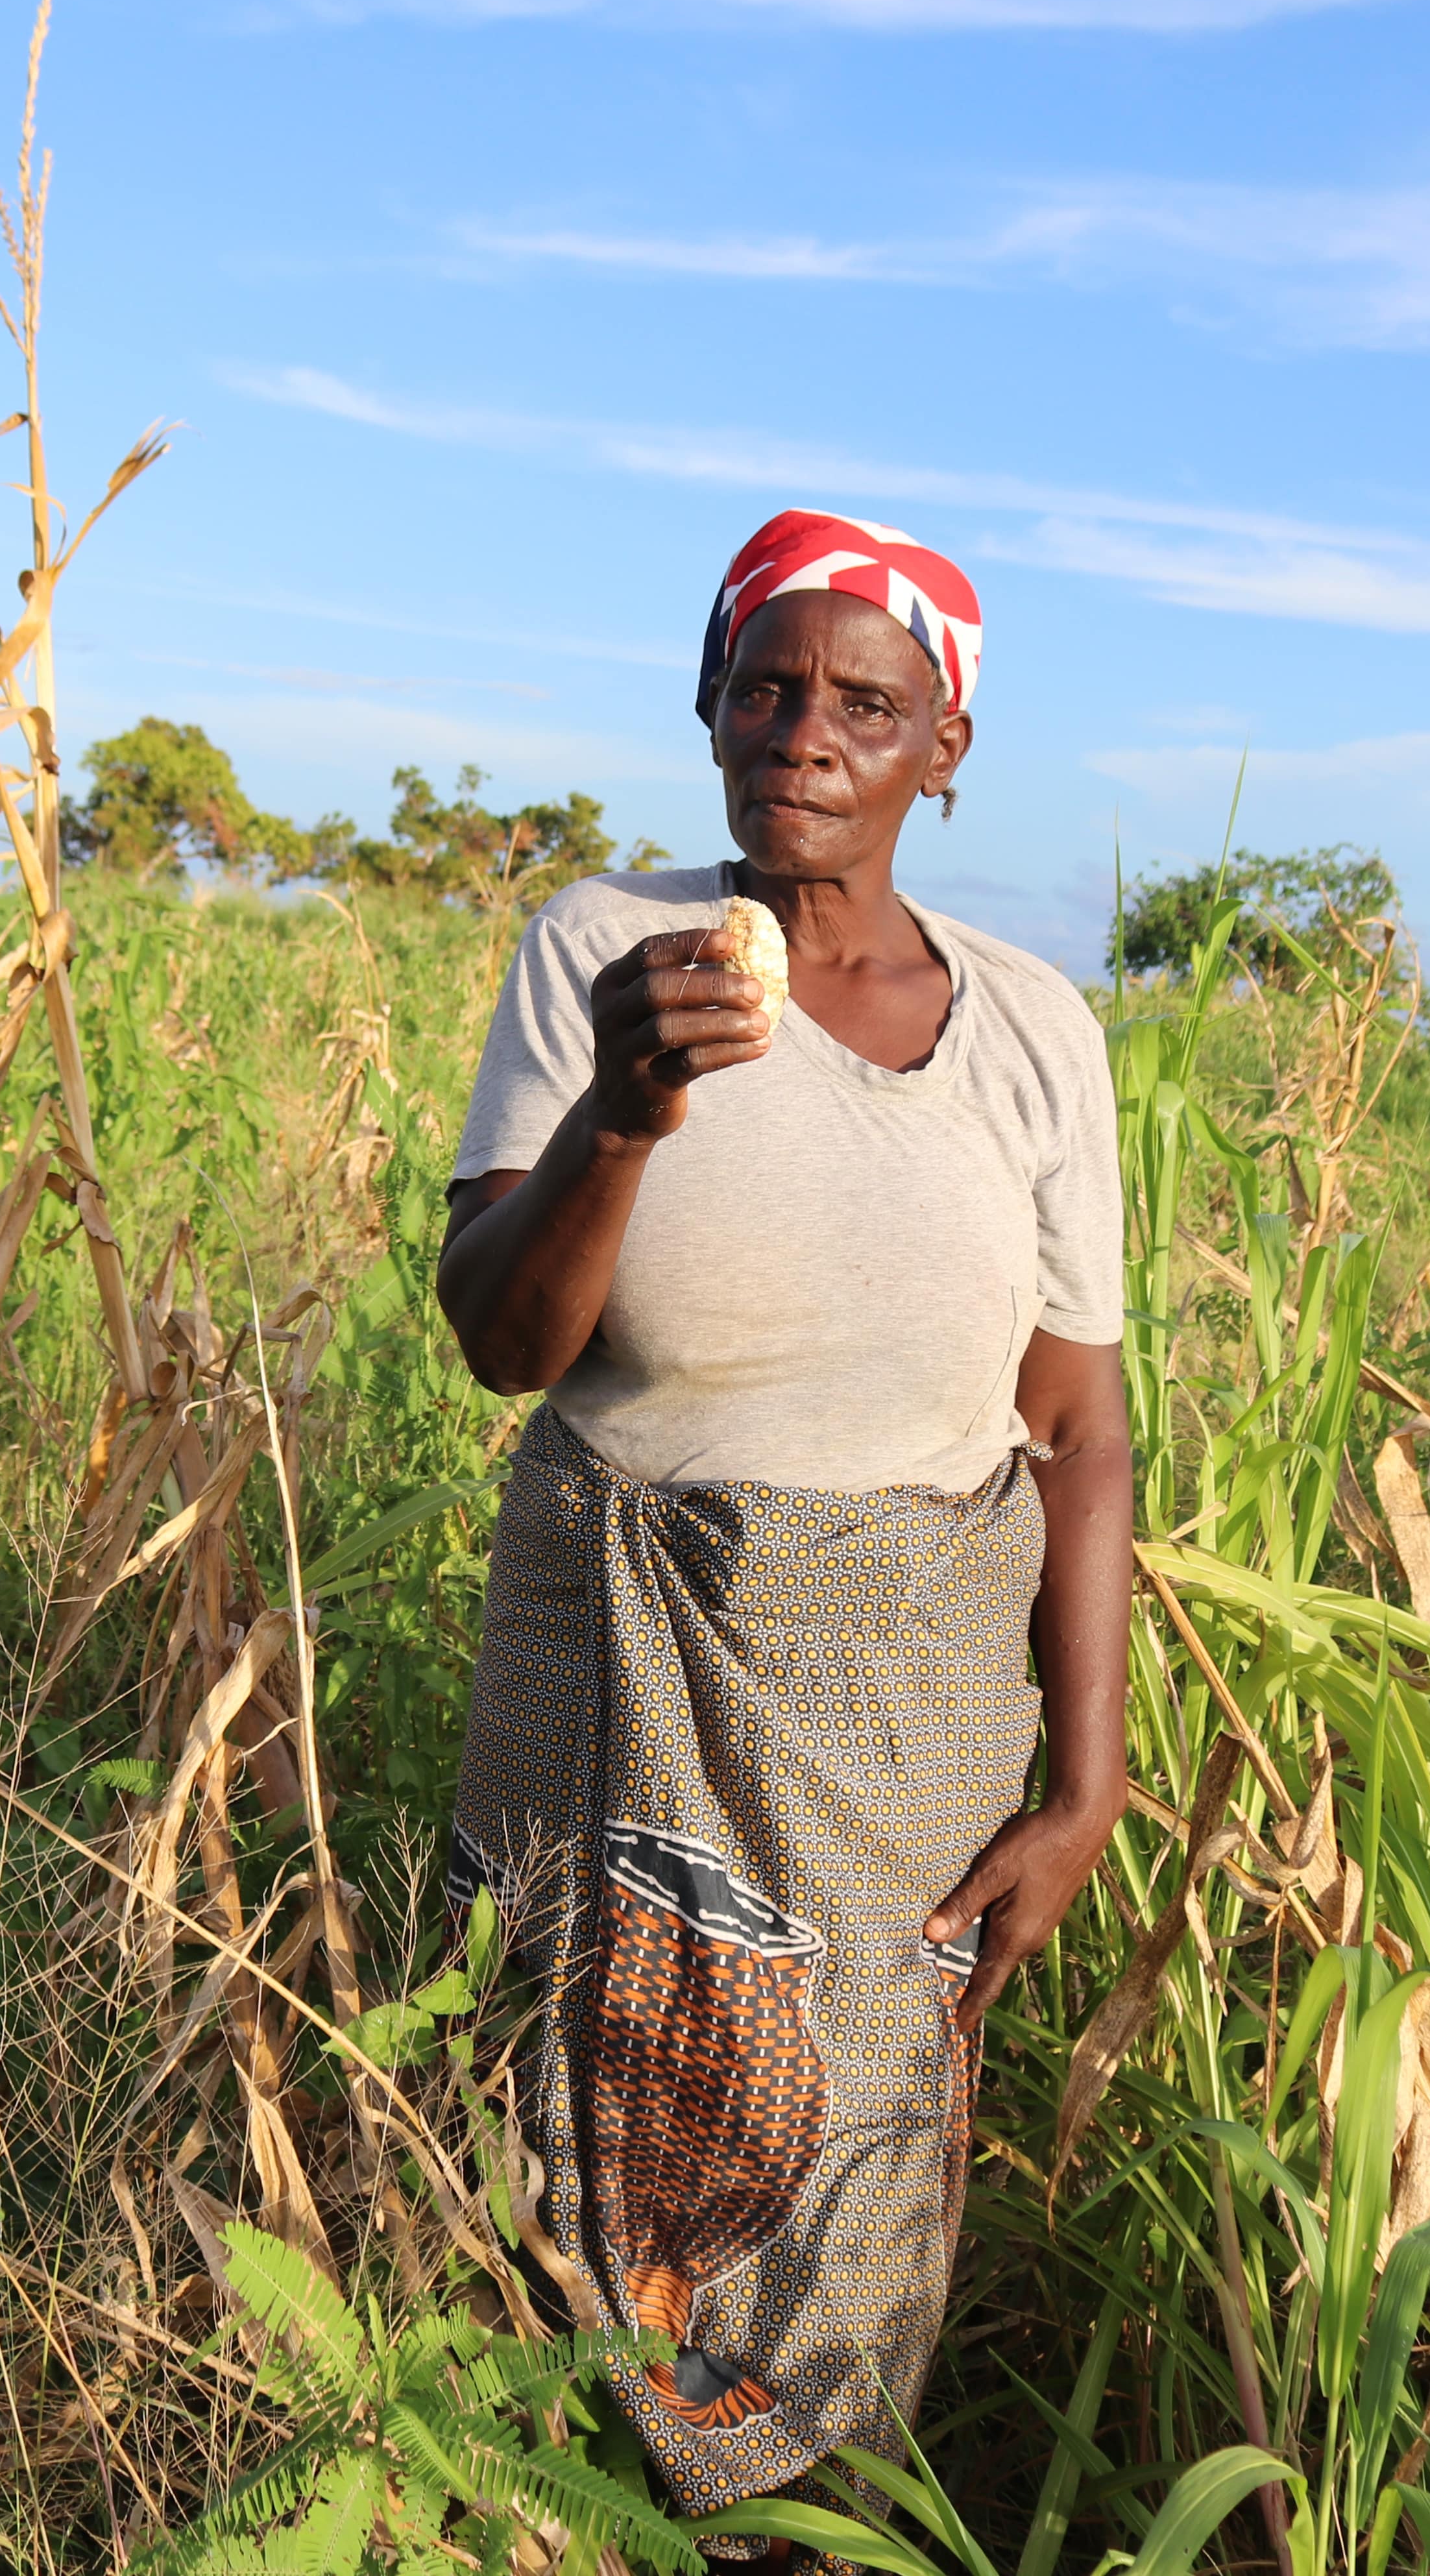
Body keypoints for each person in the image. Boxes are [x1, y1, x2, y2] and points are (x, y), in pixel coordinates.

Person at [437, 508, 1132, 2542]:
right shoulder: (605, 956)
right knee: (562, 2155)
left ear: (947, 748)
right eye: (766, 687)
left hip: (896, 1715)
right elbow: (503, 1341)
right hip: (616, 1679)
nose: (802, 732)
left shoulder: (1030, 1033)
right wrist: (625, 1115)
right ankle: (548, 2507)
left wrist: (1084, 1783)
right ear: (713, 709)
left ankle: (801, 2523)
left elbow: (1077, 1429)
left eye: (864, 701)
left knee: (841, 2159)